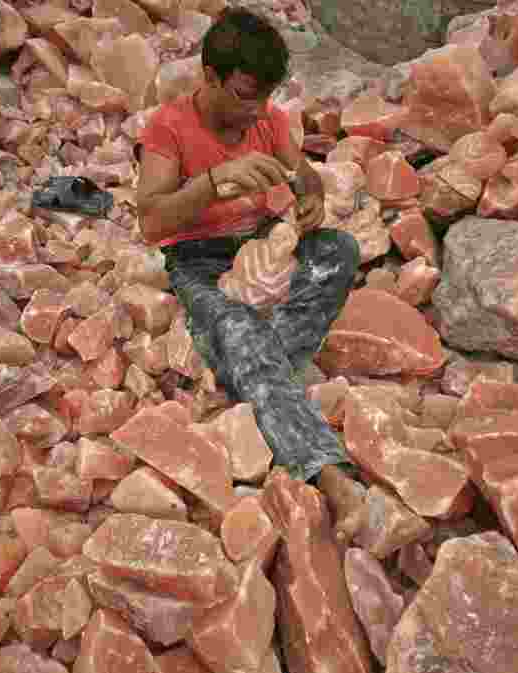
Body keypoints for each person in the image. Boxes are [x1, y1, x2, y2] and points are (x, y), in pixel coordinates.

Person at [135, 7, 360, 483]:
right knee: (237, 325)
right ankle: (323, 467)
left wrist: (310, 201)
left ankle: (257, 369)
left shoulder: (267, 120)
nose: (257, 109)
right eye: (244, 95)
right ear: (210, 76)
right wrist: (211, 184)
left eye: (266, 96)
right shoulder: (168, 128)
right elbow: (151, 223)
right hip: (198, 258)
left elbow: (306, 179)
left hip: (257, 241)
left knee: (339, 250)